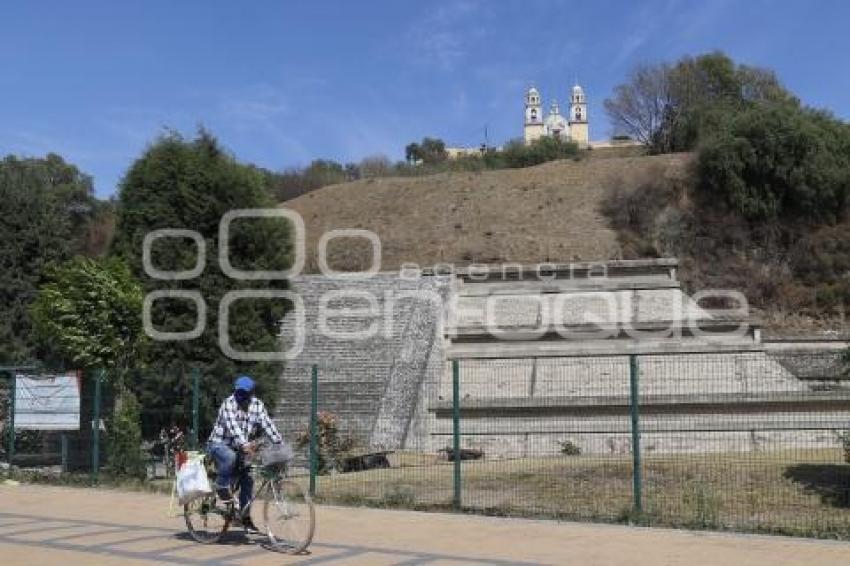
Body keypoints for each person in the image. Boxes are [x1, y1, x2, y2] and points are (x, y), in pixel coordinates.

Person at [207, 375, 283, 533]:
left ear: (252, 393)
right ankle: (221, 486)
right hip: (219, 444)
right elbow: (233, 428)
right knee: (230, 457)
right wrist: (245, 445)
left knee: (248, 478)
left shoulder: (257, 405)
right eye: (239, 393)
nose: (241, 396)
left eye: (245, 393)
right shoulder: (228, 404)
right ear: (235, 391)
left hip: (240, 447)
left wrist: (279, 443)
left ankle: (244, 517)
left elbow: (267, 423)